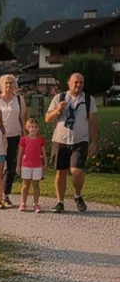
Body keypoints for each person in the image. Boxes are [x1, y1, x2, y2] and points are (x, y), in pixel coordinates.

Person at [45, 71, 99, 213]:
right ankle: (60, 202)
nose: (78, 85)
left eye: (81, 82)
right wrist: (58, 110)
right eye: (76, 82)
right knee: (60, 172)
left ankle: (77, 195)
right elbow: (47, 118)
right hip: (60, 140)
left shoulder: (88, 100)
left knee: (77, 171)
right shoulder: (59, 97)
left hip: (80, 140)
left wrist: (94, 143)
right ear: (69, 83)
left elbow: (93, 122)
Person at [0, 75, 27, 206]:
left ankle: (6, 195)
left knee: (11, 165)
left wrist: (26, 135)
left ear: (15, 85)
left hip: (14, 136)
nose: (9, 86)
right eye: (6, 83)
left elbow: (23, 118)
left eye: (11, 83)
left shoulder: (19, 99)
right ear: (1, 85)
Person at [16, 117, 47, 213]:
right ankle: (23, 203)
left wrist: (45, 163)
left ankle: (36, 203)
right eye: (31, 127)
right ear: (27, 128)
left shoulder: (41, 140)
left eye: (35, 127)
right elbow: (20, 153)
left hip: (37, 165)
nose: (33, 129)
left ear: (38, 128)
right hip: (26, 165)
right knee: (25, 184)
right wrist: (18, 165)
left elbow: (44, 152)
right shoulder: (24, 139)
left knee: (36, 184)